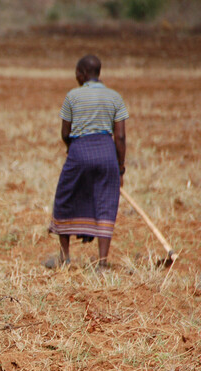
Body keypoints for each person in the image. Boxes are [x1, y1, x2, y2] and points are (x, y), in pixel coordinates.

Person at [46, 54, 128, 269]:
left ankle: (64, 258)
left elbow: (65, 132)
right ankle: (102, 264)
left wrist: (72, 150)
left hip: (79, 150)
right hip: (107, 152)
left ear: (82, 73)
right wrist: (120, 169)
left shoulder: (73, 96)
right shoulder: (115, 97)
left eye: (76, 72)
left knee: (65, 198)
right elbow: (119, 137)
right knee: (106, 202)